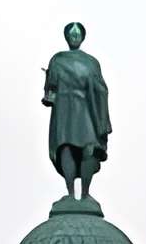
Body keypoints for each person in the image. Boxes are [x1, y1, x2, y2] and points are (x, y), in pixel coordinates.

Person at [42, 23, 110, 199]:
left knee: (90, 149)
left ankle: (85, 194)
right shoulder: (58, 59)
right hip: (65, 110)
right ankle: (71, 193)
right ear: (66, 37)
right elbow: (51, 89)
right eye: (71, 35)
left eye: (77, 34)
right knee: (66, 148)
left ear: (82, 37)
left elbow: (100, 89)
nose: (74, 37)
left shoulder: (91, 62)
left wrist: (101, 119)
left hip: (85, 110)